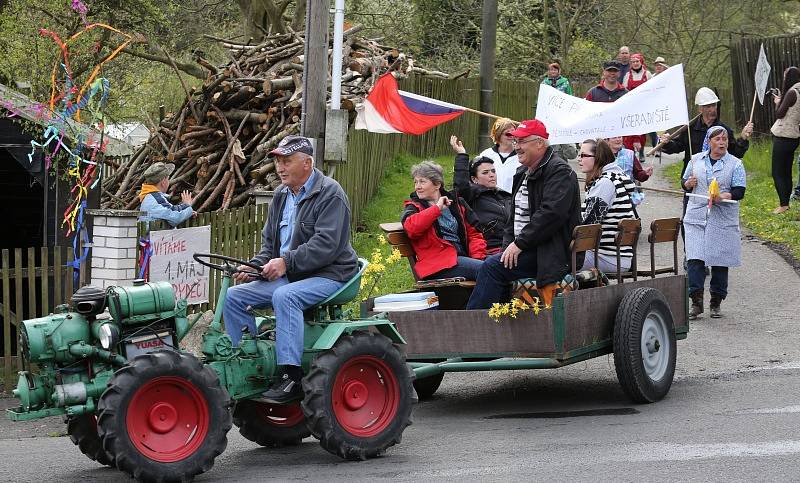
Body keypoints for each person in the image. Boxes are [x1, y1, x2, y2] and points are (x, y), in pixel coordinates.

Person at [222, 135, 358, 404]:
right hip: (292, 274)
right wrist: (255, 267)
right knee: (234, 297)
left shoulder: (330, 193)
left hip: (329, 274)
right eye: (277, 162)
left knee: (285, 297)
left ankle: (291, 376)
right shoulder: (281, 196)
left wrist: (286, 262)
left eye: (287, 161)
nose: (280, 168)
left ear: (307, 163)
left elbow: (327, 245)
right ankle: (246, 363)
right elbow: (270, 246)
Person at [466, 119, 581, 309]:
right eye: (515, 142)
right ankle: (500, 321)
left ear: (539, 143)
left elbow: (550, 215)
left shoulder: (559, 171)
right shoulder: (523, 172)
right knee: (494, 263)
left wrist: (519, 244)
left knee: (492, 268)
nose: (516, 147)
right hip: (531, 249)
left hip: (551, 253)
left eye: (521, 142)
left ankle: (473, 326)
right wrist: (508, 248)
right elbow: (512, 220)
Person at [681, 126, 746, 319]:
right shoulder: (695, 161)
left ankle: (716, 301)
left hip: (721, 216)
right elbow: (684, 183)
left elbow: (739, 191)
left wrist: (724, 195)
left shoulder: (735, 164)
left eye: (724, 139)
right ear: (709, 142)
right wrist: (687, 184)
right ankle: (696, 301)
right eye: (718, 139)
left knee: (719, 259)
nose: (722, 142)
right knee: (694, 257)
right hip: (696, 215)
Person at [402, 160, 487, 280]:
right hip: (438, 265)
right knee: (488, 270)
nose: (417, 187)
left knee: (501, 267)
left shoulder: (456, 203)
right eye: (415, 182)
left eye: (422, 182)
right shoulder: (413, 207)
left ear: (437, 185)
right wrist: (437, 208)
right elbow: (412, 229)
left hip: (462, 258)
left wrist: (477, 258)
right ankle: (485, 300)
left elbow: (474, 234)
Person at [660, 87, 753, 176]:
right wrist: (667, 143)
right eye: (708, 106)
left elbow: (736, 154)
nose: (712, 109)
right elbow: (677, 146)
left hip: (717, 178)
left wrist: (743, 138)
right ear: (700, 109)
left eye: (714, 105)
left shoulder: (724, 130)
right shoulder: (690, 128)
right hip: (693, 178)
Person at [578, 139, 638, 274]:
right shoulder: (613, 178)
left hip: (609, 257)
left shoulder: (605, 183)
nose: (579, 159)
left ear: (598, 157)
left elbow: (588, 226)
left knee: (552, 258)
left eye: (583, 155)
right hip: (614, 256)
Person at [451, 136, 512, 254]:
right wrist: (462, 155)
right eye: (485, 172)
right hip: (490, 249)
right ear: (474, 179)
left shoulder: (505, 195)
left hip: (514, 246)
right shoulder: (471, 195)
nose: (492, 175)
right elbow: (460, 186)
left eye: (493, 171)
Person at [769, 66, 800, 214]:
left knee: (778, 172)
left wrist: (777, 103)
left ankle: (783, 204)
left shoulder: (792, 92)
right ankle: (785, 203)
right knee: (786, 171)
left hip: (783, 136)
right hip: (794, 136)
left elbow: (780, 114)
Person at [138, 162, 195, 226]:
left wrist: (186, 209)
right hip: (153, 236)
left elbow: (171, 209)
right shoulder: (156, 199)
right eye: (168, 179)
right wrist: (188, 206)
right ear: (163, 182)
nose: (168, 181)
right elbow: (175, 218)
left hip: (153, 235)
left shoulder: (149, 196)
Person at [621, 53, 653, 157]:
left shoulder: (647, 74)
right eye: (633, 62)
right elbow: (624, 91)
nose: (635, 63)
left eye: (637, 61)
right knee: (631, 130)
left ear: (641, 62)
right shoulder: (628, 75)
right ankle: (631, 152)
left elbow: (652, 89)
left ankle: (641, 150)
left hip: (644, 105)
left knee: (642, 130)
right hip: (631, 106)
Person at [478, 118, 521, 193]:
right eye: (508, 134)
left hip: (513, 200)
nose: (512, 136)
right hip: (491, 198)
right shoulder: (486, 154)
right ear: (498, 135)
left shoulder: (522, 156)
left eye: (514, 133)